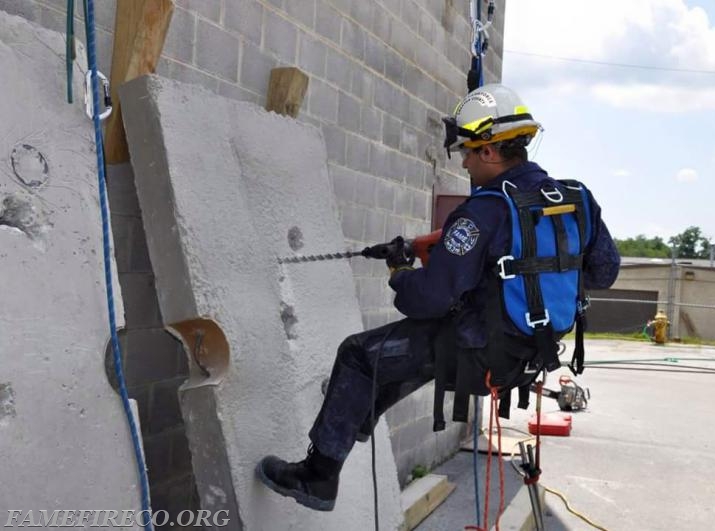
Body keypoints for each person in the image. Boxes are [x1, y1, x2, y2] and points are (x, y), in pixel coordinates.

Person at [255, 84, 620, 511]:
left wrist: (402, 272)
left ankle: (318, 477)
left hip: (481, 350)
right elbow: (603, 272)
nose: (463, 161)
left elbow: (425, 300)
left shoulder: (483, 212)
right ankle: (361, 412)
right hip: (534, 352)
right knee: (413, 351)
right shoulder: (576, 199)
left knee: (357, 354)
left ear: (489, 151)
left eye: (467, 151)